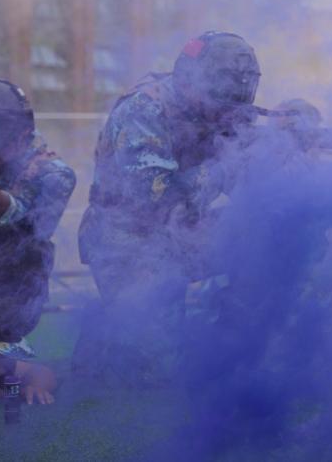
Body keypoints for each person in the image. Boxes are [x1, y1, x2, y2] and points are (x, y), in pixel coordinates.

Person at [74, 31, 261, 384]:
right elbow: (158, 199)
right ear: (191, 80)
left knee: (263, 234)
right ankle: (104, 338)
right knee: (154, 367)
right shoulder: (144, 110)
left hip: (181, 234)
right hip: (127, 241)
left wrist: (281, 153)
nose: (230, 106)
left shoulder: (219, 112)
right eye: (223, 93)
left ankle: (228, 333)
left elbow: (247, 191)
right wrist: (228, 165)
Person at [0, 80, 75, 410]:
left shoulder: (53, 174)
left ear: (20, 134)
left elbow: (13, 223)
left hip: (4, 303)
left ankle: (0, 390)